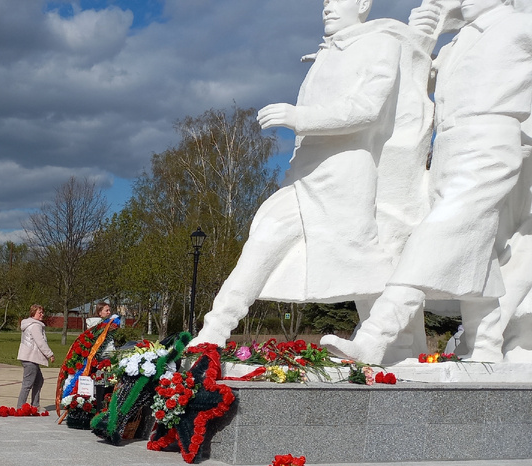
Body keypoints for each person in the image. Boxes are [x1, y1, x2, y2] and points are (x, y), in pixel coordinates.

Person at [190, 0, 408, 350]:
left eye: (338, 0)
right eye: (324, 2)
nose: (327, 8)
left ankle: (389, 340)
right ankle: (213, 332)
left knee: (364, 263)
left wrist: (297, 116)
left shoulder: (380, 43)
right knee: (266, 234)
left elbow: (368, 109)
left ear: (364, 4)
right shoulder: (325, 54)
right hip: (306, 174)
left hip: (345, 173)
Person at [324, 0, 532, 364]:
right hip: (448, 145)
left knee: (442, 228)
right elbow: (416, 80)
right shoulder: (454, 44)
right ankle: (484, 343)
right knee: (476, 239)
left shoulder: (519, 26)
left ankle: (378, 334)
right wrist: (426, 36)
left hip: (492, 137)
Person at [17, 304, 54, 409]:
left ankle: (34, 405)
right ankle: (20, 408)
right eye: (39, 312)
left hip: (29, 357)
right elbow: (40, 342)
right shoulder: (35, 325)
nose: (42, 314)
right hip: (30, 358)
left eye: (42, 312)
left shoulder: (29, 324)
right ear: (33, 313)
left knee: (39, 380)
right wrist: (50, 354)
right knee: (27, 384)